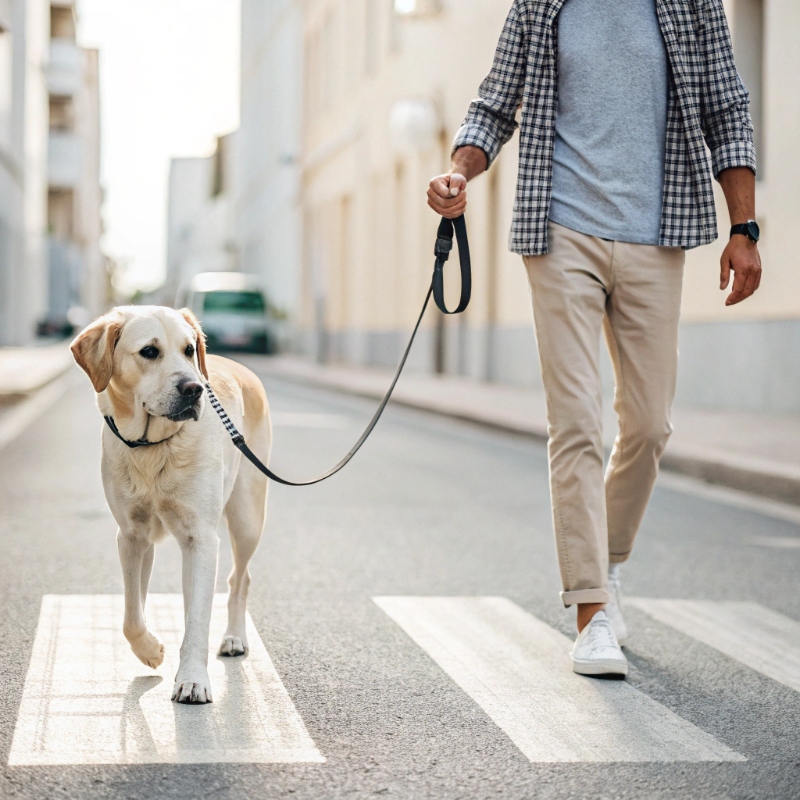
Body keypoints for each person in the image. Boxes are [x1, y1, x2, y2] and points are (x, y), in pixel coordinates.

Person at [427, 0, 761, 676]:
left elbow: (727, 110)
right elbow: (494, 105)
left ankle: (603, 563)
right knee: (576, 421)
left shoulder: (691, 6)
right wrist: (461, 169)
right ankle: (591, 612)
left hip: (658, 234)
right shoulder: (541, 5)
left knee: (648, 425)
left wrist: (744, 228)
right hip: (559, 232)